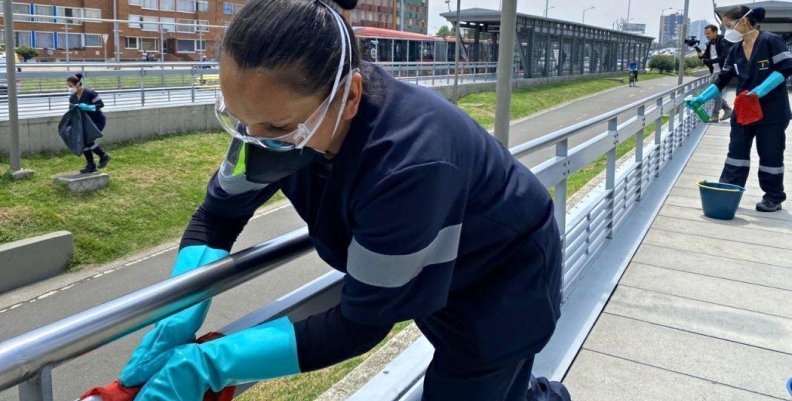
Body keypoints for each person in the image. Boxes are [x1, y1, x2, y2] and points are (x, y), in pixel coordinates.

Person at [116, 0, 571, 400]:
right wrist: (174, 319)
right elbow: (216, 217)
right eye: (238, 119)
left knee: (474, 377)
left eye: (275, 128)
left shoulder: (409, 164)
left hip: (500, 283)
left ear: (350, 95)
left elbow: (360, 324)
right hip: (434, 270)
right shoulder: (270, 127)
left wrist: (212, 364)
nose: (253, 143)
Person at [686, 6, 790, 212]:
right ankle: (729, 188)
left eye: (728, 25)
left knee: (770, 155)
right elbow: (723, 78)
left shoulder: (771, 41)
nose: (727, 30)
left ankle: (773, 197)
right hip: (744, 111)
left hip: (772, 112)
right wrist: (702, 98)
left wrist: (761, 89)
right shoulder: (734, 50)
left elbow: (786, 67)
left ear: (743, 21)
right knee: (736, 152)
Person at [67, 73, 111, 173]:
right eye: (68, 86)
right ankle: (91, 165)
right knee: (83, 142)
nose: (69, 88)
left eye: (71, 86)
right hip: (85, 123)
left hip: (97, 121)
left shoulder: (90, 93)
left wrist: (89, 107)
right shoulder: (72, 98)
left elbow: (101, 104)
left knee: (87, 140)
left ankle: (103, 156)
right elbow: (71, 111)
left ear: (78, 84)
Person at [696, 24, 734, 121]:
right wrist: (700, 55)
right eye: (705, 34)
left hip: (722, 72)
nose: (707, 36)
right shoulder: (709, 44)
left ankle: (715, 116)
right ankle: (727, 109)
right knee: (714, 94)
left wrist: (710, 61)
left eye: (708, 33)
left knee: (715, 93)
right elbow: (707, 58)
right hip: (713, 71)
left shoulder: (723, 41)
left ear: (715, 32)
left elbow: (724, 57)